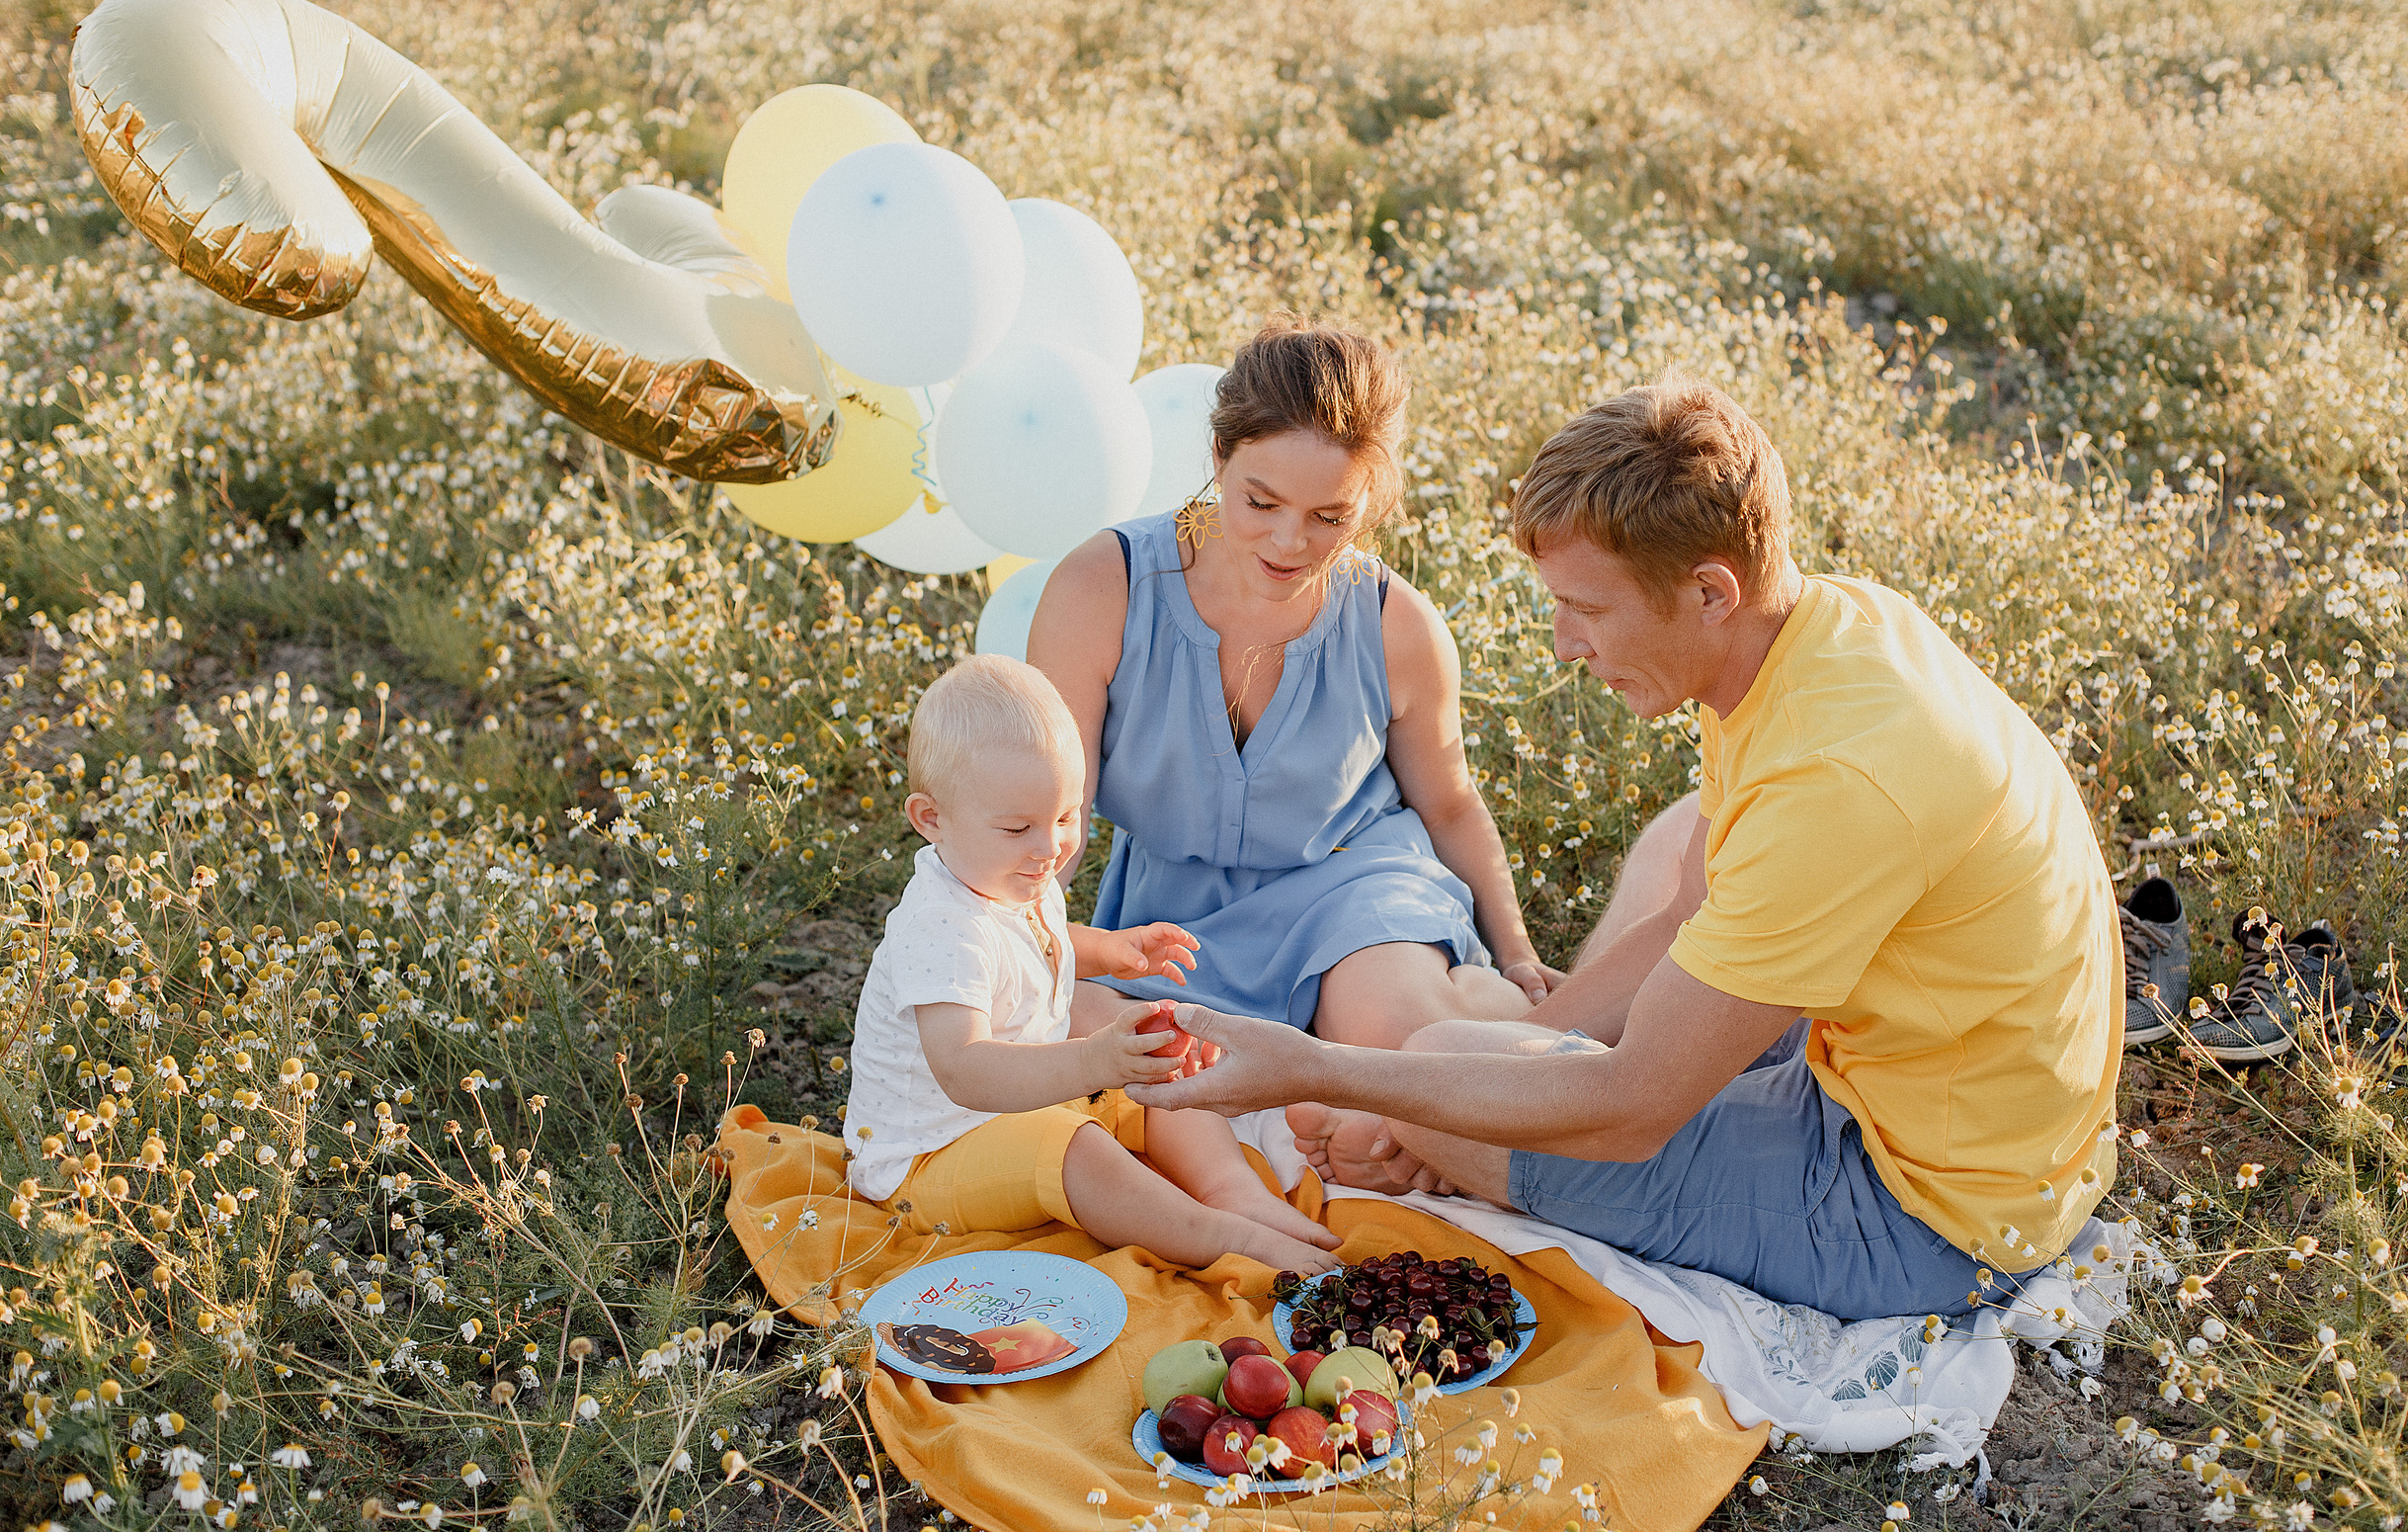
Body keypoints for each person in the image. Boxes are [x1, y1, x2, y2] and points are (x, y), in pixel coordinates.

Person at [1129, 378, 2122, 1321]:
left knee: (1436, 1081)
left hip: (1926, 1217)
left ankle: (1461, 1132)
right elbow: (1690, 910)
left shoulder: (1835, 786)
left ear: (1708, 593)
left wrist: (1332, 1074)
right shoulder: (1820, 636)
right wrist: (1519, 1060)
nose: (1565, 643)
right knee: (1661, 857)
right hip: (1917, 1083)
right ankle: (1478, 1109)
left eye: (1589, 609)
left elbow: (1633, 1111)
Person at [1030, 316, 1557, 1051]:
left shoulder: (1396, 625)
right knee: (1119, 1048)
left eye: (1328, 516)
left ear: (1368, 501)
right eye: (1261, 502)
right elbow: (1056, 812)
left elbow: (1450, 803)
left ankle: (1476, 1008)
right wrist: (1016, 943)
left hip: (1358, 889)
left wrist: (1519, 953)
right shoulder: (1102, 588)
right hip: (1178, 927)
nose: (1288, 542)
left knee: (1397, 1036)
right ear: (1219, 459)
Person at [842, 654, 1341, 1273]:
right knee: (1074, 1149)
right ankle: (1213, 1235)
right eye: (1019, 826)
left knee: (1151, 1078)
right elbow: (964, 1071)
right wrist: (1089, 1061)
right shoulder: (940, 928)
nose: (1051, 847)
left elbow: (1035, 937)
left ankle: (1230, 1189)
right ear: (931, 820)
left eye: (1066, 816)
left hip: (1024, 1102)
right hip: (931, 1156)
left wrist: (1111, 949)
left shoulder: (1009, 870)